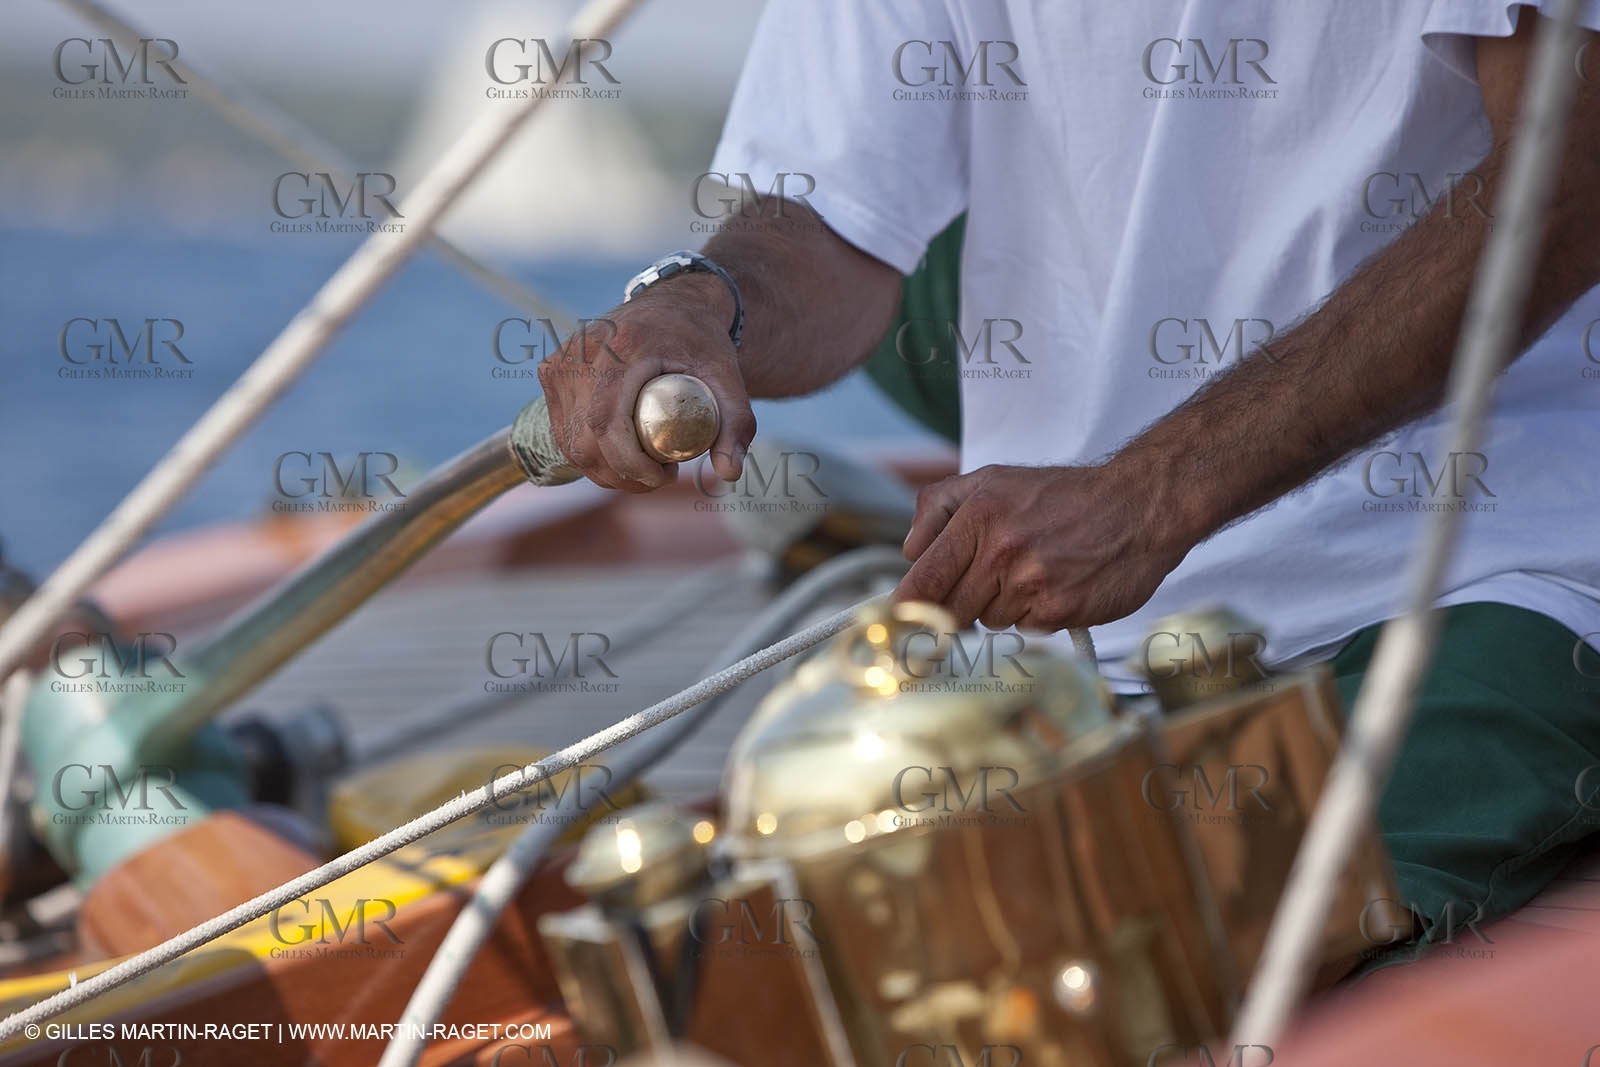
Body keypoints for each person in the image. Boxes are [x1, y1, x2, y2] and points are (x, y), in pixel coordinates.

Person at [540, 2, 1600, 953]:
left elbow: (1568, 176)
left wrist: (1152, 495)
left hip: (1481, 585)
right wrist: (698, 303)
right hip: (1073, 649)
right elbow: (829, 224)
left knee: (1251, 964)